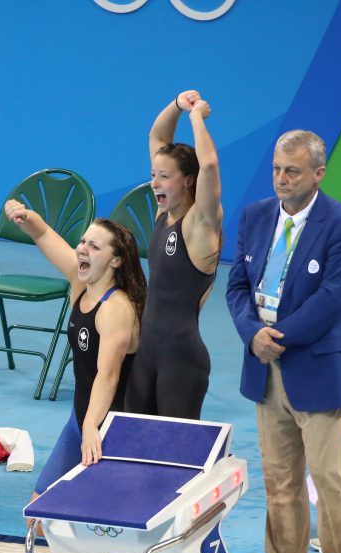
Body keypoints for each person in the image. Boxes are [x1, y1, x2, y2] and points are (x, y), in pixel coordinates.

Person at [224, 129, 341, 553]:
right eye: (276, 169)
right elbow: (238, 285)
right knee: (279, 479)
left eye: (292, 171)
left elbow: (332, 300)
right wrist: (251, 334)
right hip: (265, 367)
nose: (281, 179)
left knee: (330, 480)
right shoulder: (254, 216)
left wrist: (275, 338)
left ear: (318, 173)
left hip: (314, 368)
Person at [3, 202, 144, 501]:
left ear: (116, 260)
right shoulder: (81, 283)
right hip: (79, 420)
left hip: (112, 428)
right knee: (36, 517)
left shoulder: (115, 309)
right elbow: (42, 233)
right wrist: (25, 216)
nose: (82, 249)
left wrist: (92, 426)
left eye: (94, 246)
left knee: (101, 521)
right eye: (82, 242)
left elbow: (108, 376)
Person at [125, 89, 222, 420]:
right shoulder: (163, 213)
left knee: (175, 457)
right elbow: (157, 136)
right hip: (146, 353)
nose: (154, 183)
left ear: (188, 181)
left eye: (164, 177)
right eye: (154, 175)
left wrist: (196, 118)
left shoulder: (201, 223)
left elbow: (208, 163)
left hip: (181, 360)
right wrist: (177, 105)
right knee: (133, 446)